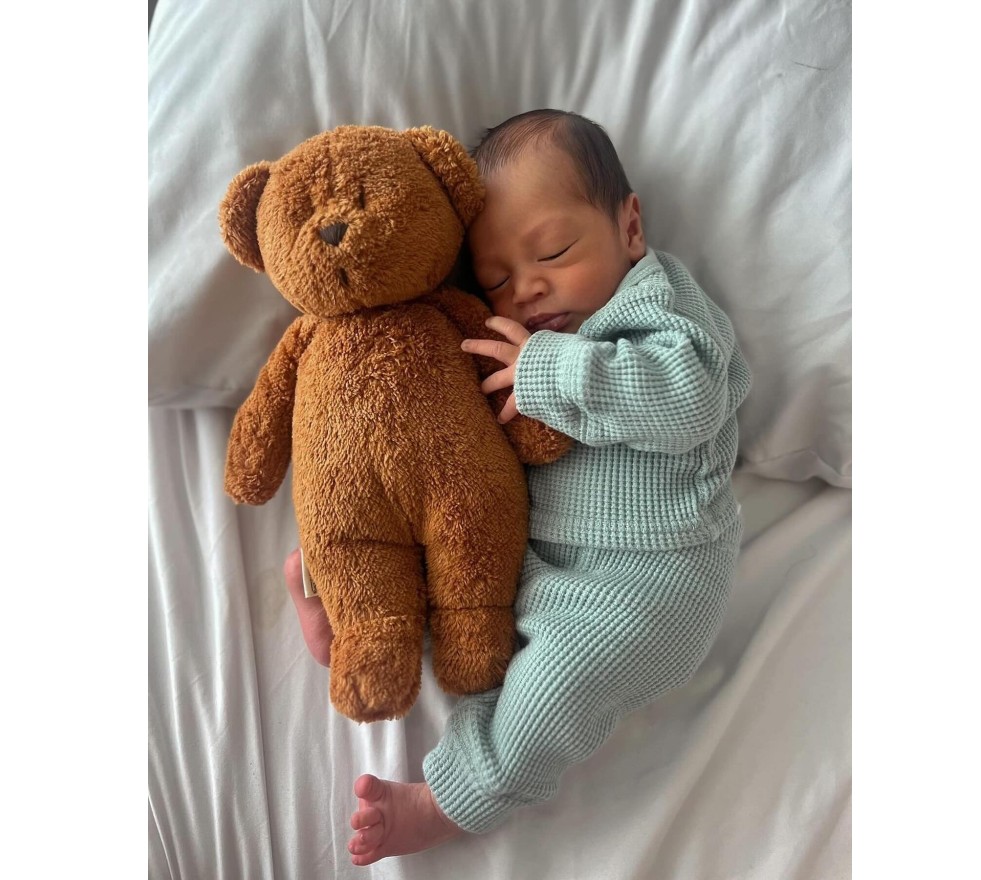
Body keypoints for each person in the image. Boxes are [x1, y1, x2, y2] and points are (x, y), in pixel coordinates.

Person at [284, 109, 752, 866]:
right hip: (538, 557)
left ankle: (454, 798)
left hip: (648, 583)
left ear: (630, 228)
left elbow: (688, 401)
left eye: (554, 252)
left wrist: (551, 368)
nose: (528, 289)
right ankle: (350, 614)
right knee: (460, 588)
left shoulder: (659, 307)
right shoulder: (517, 339)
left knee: (554, 683)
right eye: (497, 280)